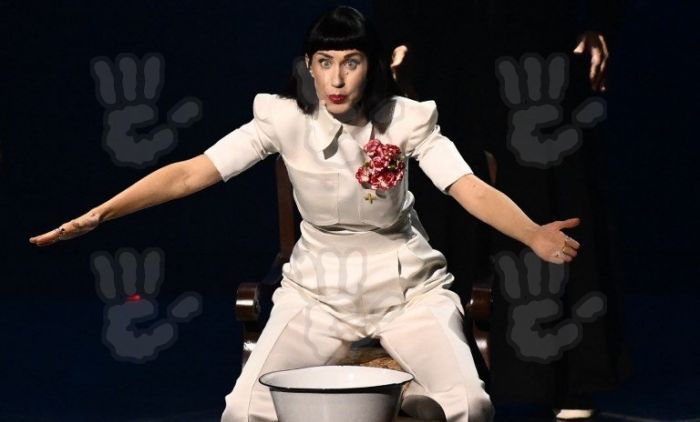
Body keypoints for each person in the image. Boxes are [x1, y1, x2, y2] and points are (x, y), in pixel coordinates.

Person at [29, 6, 582, 422]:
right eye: (325, 63)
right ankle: (402, 392)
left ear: (371, 66)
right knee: (244, 409)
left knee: (470, 404)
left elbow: (467, 187)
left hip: (408, 291)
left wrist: (532, 234)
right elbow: (192, 172)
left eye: (351, 62)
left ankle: (413, 394)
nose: (337, 80)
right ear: (310, 68)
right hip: (316, 294)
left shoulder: (406, 119)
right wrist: (102, 214)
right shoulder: (282, 118)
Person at [374, 0, 632, 419]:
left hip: (538, 40)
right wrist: (397, 35)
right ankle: (440, 370)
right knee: (449, 199)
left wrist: (598, 22)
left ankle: (565, 376)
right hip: (446, 42)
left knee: (546, 191)